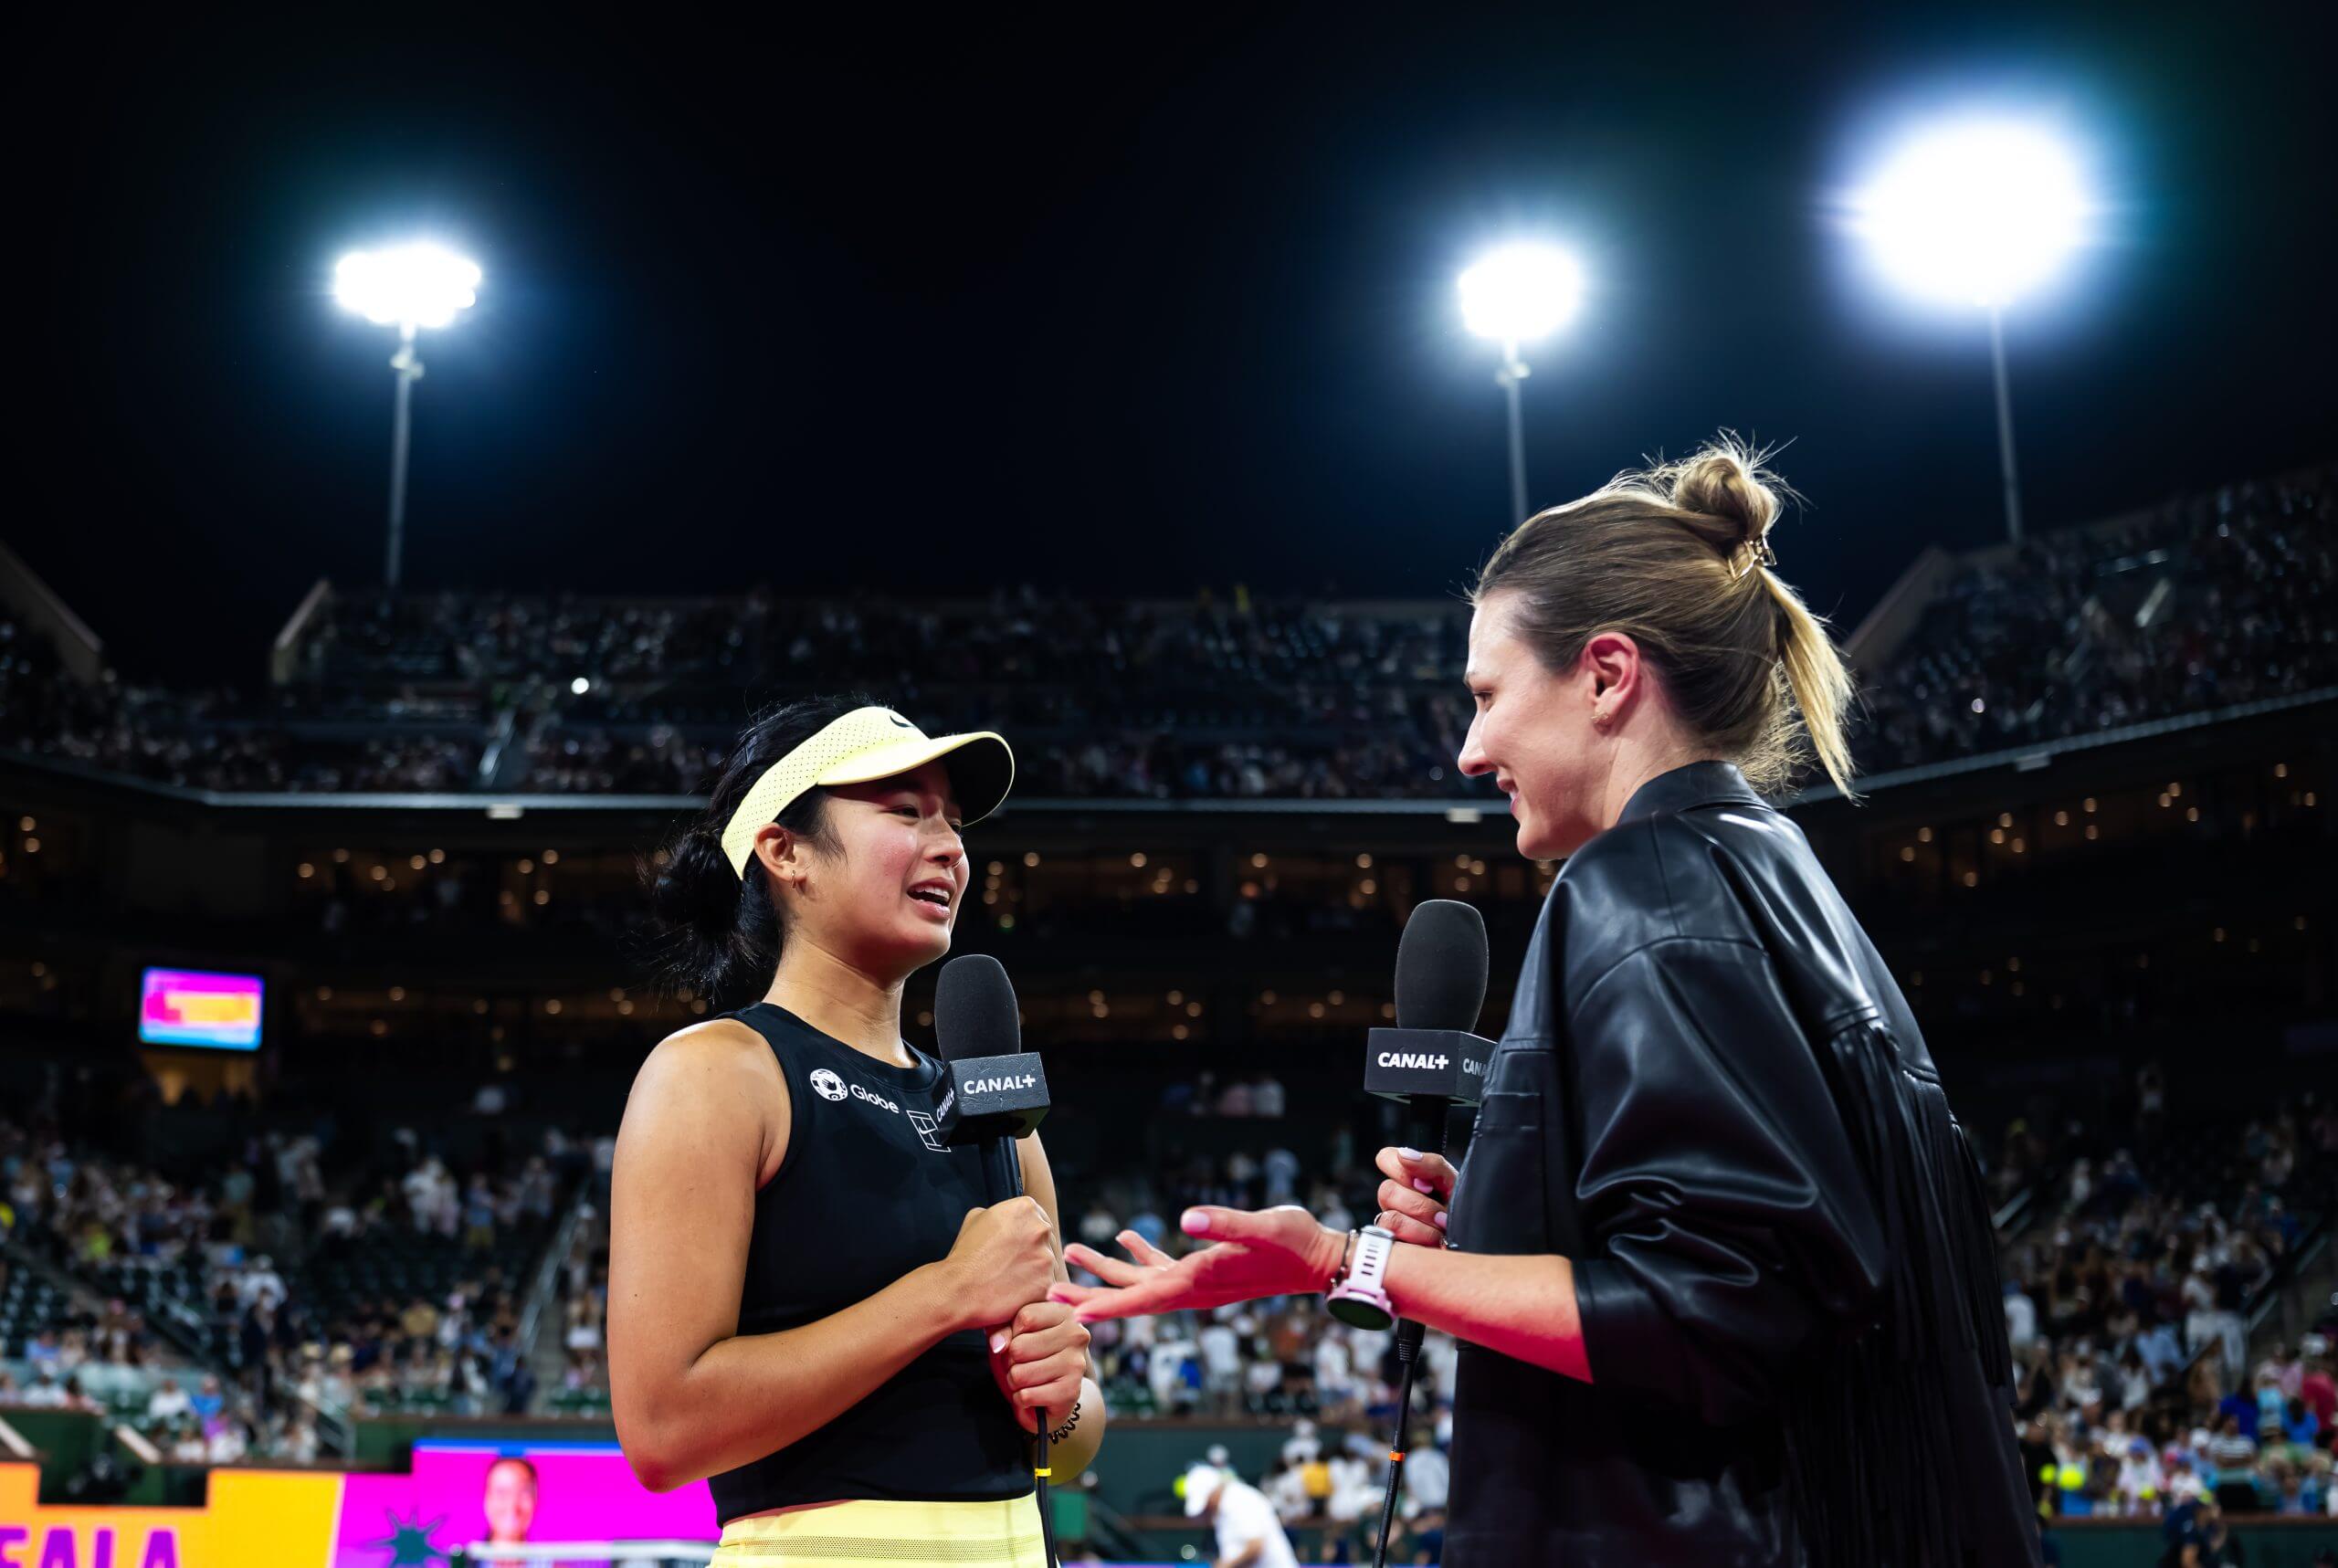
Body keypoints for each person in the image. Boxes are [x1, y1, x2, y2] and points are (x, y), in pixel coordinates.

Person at [1056, 441, 2035, 1565]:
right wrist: (1503, 1220)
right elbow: (1782, 1270)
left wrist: (1344, 1260)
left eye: (1486, 695)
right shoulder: (1776, 870)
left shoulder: (1640, 883)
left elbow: (1707, 1314)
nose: (1470, 751)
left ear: (1606, 674)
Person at [609, 698, 1103, 1567]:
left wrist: (1061, 1396)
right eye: (906, 811)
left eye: (953, 822)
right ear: (784, 850)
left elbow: (1067, 1445)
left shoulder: (998, 1119)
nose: (949, 847)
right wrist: (945, 1295)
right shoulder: (718, 1073)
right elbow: (662, 1430)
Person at [1185, 1461, 1302, 1568]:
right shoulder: (1224, 1508)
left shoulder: (1240, 1500)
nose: (1207, 1508)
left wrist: (1224, 1566)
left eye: (1207, 1501)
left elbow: (1256, 1546)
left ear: (1214, 1491)